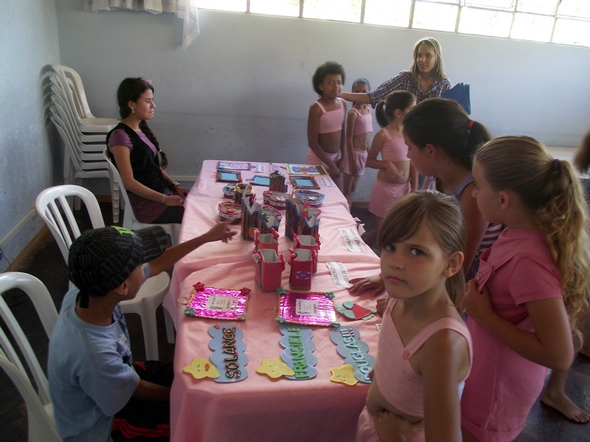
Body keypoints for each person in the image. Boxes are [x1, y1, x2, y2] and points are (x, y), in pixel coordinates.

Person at [48, 222, 236, 441]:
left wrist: (205, 237)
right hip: (104, 424)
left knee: (194, 374)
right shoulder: (93, 354)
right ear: (123, 287)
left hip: (119, 379)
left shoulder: (85, 292)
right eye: (139, 265)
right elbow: (136, 391)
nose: (145, 267)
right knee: (201, 422)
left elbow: (156, 264)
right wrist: (183, 399)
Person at [461, 136, 590, 441]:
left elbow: (559, 354)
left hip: (497, 389)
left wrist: (483, 314)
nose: (474, 193)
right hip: (485, 370)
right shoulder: (516, 233)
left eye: (478, 185)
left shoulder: (529, 261)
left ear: (503, 200)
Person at [349, 98, 499, 297]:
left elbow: (456, 273)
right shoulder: (435, 178)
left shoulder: (473, 194)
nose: (408, 155)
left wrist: (410, 302)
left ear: (430, 151)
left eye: (410, 148)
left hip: (466, 293)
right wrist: (387, 277)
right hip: (431, 277)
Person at [356, 190, 472, 442]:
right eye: (390, 247)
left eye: (416, 252)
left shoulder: (442, 344)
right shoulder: (402, 295)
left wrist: (395, 438)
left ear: (451, 264)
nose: (395, 263)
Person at [107, 77, 189, 225]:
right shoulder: (120, 136)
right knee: (196, 216)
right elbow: (129, 182)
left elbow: (152, 166)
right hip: (148, 206)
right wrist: (165, 199)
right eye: (148, 101)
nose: (153, 105)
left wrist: (175, 186)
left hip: (160, 195)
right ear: (131, 104)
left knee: (200, 204)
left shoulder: (139, 129)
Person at [363, 90, 417, 248]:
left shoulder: (410, 133)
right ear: (398, 112)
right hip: (385, 191)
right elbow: (369, 161)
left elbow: (413, 161)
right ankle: (370, 256)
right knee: (382, 232)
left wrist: (414, 187)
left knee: (396, 229)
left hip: (404, 189)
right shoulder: (383, 134)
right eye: (412, 108)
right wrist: (387, 164)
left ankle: (363, 249)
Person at [340, 37, 451, 108]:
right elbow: (374, 96)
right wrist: (340, 94)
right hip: (405, 134)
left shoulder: (444, 85)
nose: (422, 60)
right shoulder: (405, 79)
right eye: (419, 55)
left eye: (428, 56)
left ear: (437, 58)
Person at [307, 61, 347, 191]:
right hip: (318, 161)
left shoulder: (343, 104)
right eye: (330, 82)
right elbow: (312, 142)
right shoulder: (316, 108)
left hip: (336, 160)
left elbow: (343, 133)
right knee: (318, 196)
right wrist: (331, 165)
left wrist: (343, 157)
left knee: (339, 195)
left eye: (339, 82)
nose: (336, 86)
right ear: (321, 86)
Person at [343, 78, 373, 209]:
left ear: (369, 93)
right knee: (346, 190)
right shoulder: (353, 113)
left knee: (353, 188)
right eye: (357, 92)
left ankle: (348, 213)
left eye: (364, 92)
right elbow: (349, 138)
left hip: (363, 155)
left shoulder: (369, 110)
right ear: (352, 93)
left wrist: (369, 154)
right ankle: (343, 213)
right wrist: (352, 161)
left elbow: (368, 135)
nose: (360, 95)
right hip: (353, 155)